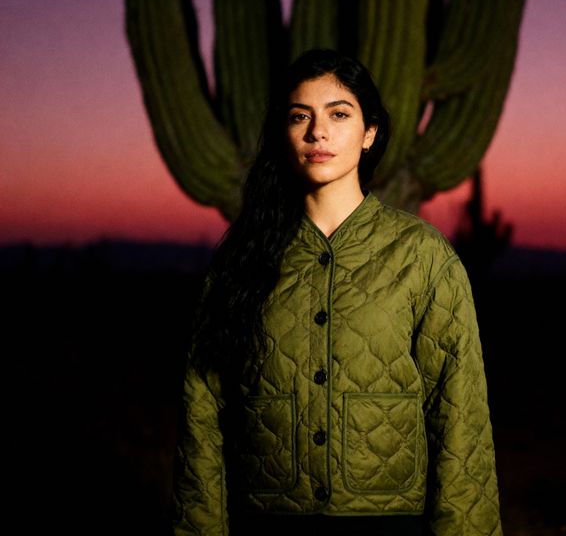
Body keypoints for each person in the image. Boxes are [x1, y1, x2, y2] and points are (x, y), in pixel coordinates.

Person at [171, 48, 502, 536]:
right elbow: (202, 415)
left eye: (339, 114)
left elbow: (460, 419)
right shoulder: (241, 258)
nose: (317, 132)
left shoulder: (422, 255)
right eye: (299, 116)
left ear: (369, 133)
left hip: (391, 524)